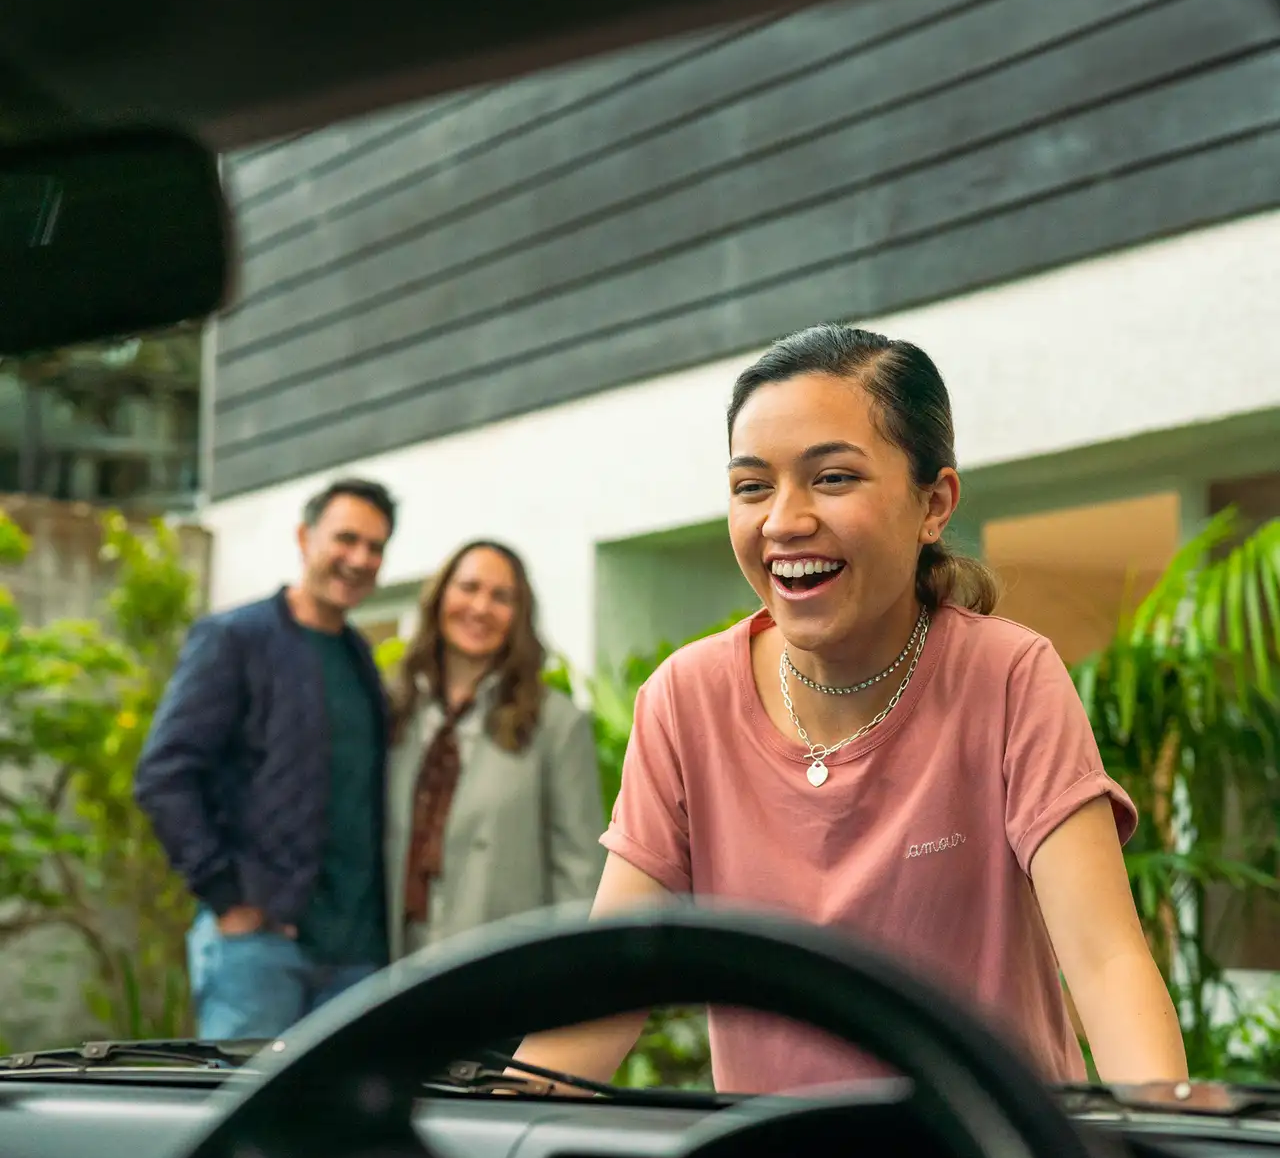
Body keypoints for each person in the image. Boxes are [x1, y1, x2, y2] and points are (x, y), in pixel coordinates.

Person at [513, 324, 1188, 1095]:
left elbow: (1105, 965)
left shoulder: (1008, 677)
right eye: (752, 486)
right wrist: (492, 1126)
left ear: (933, 504)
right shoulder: (685, 697)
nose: (783, 521)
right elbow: (608, 989)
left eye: (831, 478)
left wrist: (1169, 1149)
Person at [135, 476, 396, 1039]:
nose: (359, 559)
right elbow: (164, 774)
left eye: (375, 547)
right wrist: (227, 897)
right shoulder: (235, 639)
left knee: (337, 1127)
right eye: (345, 539)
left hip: (357, 961)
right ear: (304, 538)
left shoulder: (361, 661)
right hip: (259, 951)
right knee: (243, 1120)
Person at [385, 539, 605, 959]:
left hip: (503, 979)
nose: (481, 607)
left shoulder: (557, 725)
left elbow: (580, 876)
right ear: (439, 597)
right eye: (468, 587)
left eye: (501, 597)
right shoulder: (398, 711)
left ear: (519, 616)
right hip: (398, 976)